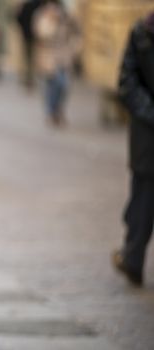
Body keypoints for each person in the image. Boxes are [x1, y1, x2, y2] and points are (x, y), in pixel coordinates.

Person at [112, 13, 154, 287]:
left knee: (142, 198)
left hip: (146, 132)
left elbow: (127, 84)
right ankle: (133, 260)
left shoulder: (142, 31)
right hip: (148, 137)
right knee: (142, 200)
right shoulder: (142, 33)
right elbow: (127, 82)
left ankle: (132, 259)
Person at [33, 0, 78, 126]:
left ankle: (58, 110)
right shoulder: (43, 16)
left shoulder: (67, 17)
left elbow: (76, 33)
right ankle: (51, 112)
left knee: (64, 85)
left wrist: (74, 48)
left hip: (64, 56)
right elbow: (41, 34)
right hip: (49, 57)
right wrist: (51, 21)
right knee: (52, 86)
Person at [15, 0, 42, 90]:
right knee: (32, 57)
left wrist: (23, 28)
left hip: (28, 35)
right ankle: (30, 76)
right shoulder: (40, 5)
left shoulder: (27, 5)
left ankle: (28, 76)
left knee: (27, 57)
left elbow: (18, 19)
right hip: (36, 36)